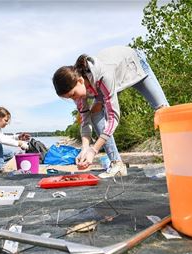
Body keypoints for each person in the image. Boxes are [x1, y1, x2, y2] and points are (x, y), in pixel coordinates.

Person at [52, 46, 169, 178]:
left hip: (133, 64)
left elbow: (114, 119)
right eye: (69, 98)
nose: (74, 99)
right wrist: (85, 149)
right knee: (95, 113)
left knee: (164, 112)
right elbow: (85, 120)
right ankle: (117, 164)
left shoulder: (103, 75)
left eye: (73, 95)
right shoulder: (78, 89)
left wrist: (94, 150)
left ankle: (175, 163)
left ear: (80, 81)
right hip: (108, 80)